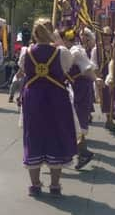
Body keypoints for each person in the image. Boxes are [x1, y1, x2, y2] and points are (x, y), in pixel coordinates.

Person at [19, 18, 77, 197]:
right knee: (56, 135)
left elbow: (23, 69)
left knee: (33, 136)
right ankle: (54, 185)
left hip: (34, 99)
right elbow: (66, 68)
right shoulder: (62, 53)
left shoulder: (25, 52)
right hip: (56, 99)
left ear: (35, 34)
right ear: (52, 32)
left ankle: (35, 185)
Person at [60, 28, 97, 170]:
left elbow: (87, 68)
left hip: (79, 89)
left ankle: (81, 153)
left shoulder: (75, 51)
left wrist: (96, 79)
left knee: (75, 122)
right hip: (72, 89)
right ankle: (80, 152)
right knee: (71, 122)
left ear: (65, 39)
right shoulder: (68, 51)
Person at [91, 26, 115, 133]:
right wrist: (98, 77)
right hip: (103, 75)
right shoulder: (96, 49)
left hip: (113, 75)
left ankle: (111, 118)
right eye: (104, 35)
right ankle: (109, 119)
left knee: (113, 97)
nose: (106, 37)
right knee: (106, 98)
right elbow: (93, 64)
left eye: (108, 35)